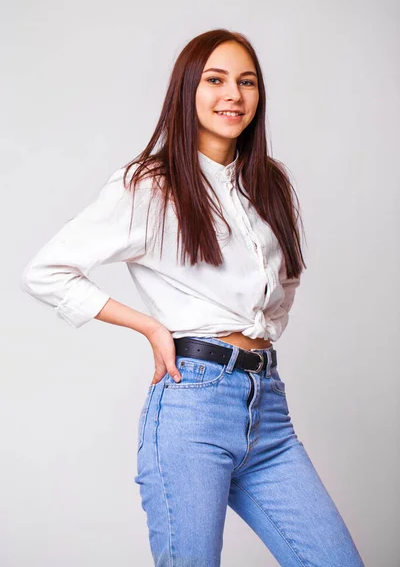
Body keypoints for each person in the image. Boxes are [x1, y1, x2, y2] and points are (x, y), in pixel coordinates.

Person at [20, 29, 365, 567]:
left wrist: (255, 338)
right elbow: (46, 271)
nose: (234, 95)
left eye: (247, 82)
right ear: (187, 89)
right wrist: (153, 328)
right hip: (192, 408)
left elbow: (284, 281)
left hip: (267, 410)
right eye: (216, 79)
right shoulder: (151, 185)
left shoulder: (269, 184)